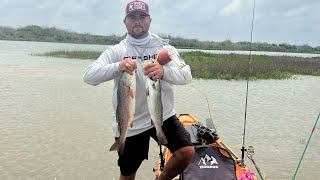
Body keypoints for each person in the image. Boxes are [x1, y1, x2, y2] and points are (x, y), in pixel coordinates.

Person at [83, 0, 194, 179]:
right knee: (127, 173)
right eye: (132, 17)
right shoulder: (117, 51)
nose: (137, 21)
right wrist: (118, 66)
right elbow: (88, 76)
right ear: (125, 21)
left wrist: (164, 71)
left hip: (162, 114)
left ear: (150, 20)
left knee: (186, 152)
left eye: (142, 17)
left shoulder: (165, 47)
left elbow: (187, 76)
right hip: (130, 120)